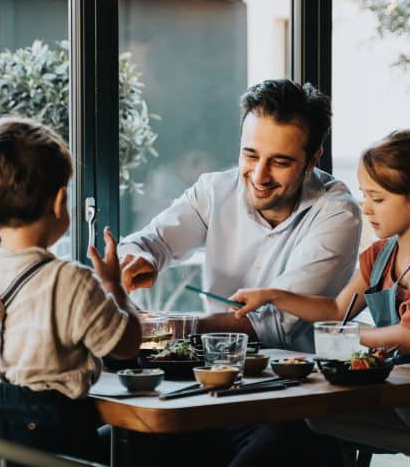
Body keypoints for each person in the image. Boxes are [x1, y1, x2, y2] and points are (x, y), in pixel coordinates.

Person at [231, 129, 410, 461]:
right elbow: (336, 308)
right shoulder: (380, 254)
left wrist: (355, 337)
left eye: (378, 199)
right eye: (364, 196)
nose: (366, 208)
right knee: (317, 416)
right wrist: (272, 295)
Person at [119, 78, 362, 352]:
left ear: (313, 160)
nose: (259, 176)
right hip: (214, 365)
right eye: (250, 156)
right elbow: (151, 242)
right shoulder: (214, 191)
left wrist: (167, 327)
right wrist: (143, 257)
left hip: (299, 381)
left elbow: (272, 325)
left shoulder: (336, 213)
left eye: (280, 162)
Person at [0, 117, 141, 465]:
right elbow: (127, 346)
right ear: (60, 202)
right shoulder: (69, 280)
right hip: (54, 444)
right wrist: (114, 286)